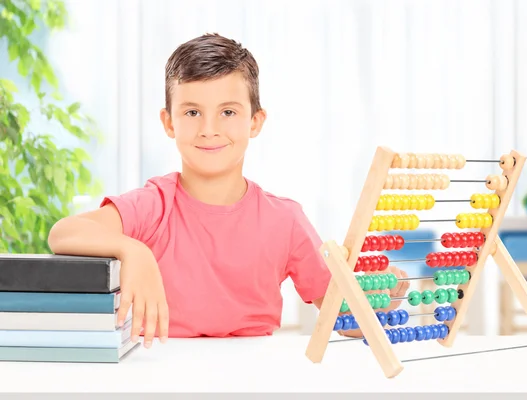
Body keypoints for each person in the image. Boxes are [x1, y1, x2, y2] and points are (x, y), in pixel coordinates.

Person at [47, 33, 409, 348]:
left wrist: (380, 299)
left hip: (251, 377)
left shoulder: (285, 220)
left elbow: (339, 312)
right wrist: (132, 250)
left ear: (255, 122)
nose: (209, 129)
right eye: (192, 113)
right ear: (169, 122)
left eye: (228, 112)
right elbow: (64, 233)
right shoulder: (153, 206)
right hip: (159, 373)